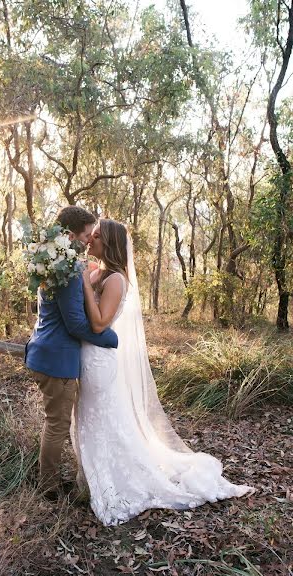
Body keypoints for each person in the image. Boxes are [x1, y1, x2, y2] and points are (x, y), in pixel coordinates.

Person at [73, 218, 254, 526]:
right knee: (91, 420)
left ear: (112, 243)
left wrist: (84, 285)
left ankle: (116, 480)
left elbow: (100, 323)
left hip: (100, 362)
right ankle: (93, 477)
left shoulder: (116, 279)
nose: (91, 240)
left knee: (102, 421)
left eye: (98, 237)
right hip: (87, 356)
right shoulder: (98, 271)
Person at [25, 207, 118, 501]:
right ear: (69, 236)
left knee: (54, 421)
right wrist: (110, 337)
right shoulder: (65, 268)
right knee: (57, 425)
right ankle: (49, 488)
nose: (90, 241)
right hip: (57, 358)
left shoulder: (58, 262)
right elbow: (76, 323)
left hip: (46, 351)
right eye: (87, 235)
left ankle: (49, 479)